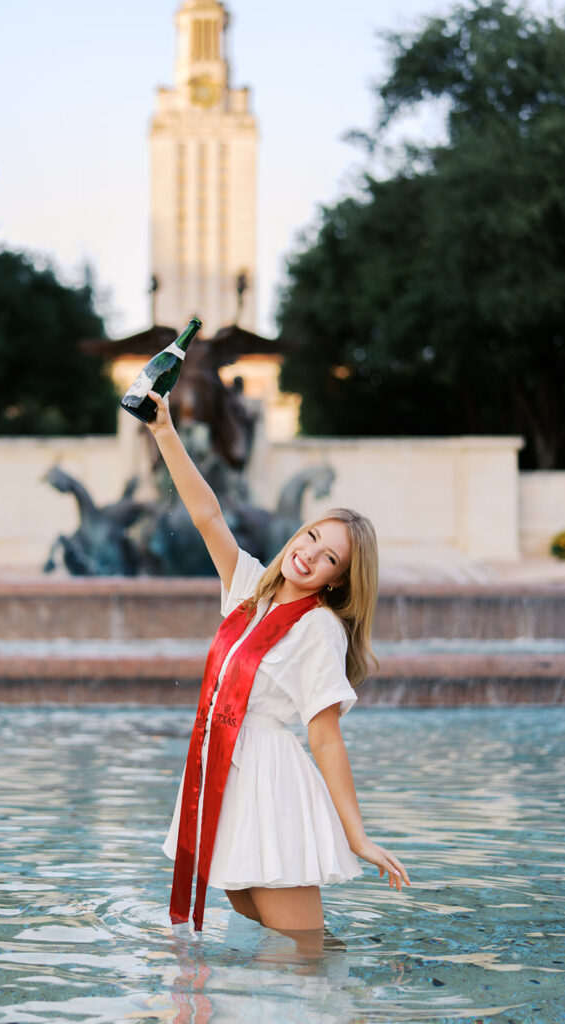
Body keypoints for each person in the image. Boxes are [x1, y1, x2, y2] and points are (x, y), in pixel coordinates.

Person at [142, 389, 411, 939]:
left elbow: (326, 737)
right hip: (220, 768)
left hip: (270, 787)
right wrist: (163, 429)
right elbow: (207, 514)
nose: (310, 553)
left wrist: (355, 835)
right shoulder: (249, 590)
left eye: (329, 556)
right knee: (260, 927)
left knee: (301, 953)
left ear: (337, 579)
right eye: (313, 535)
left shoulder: (319, 629)